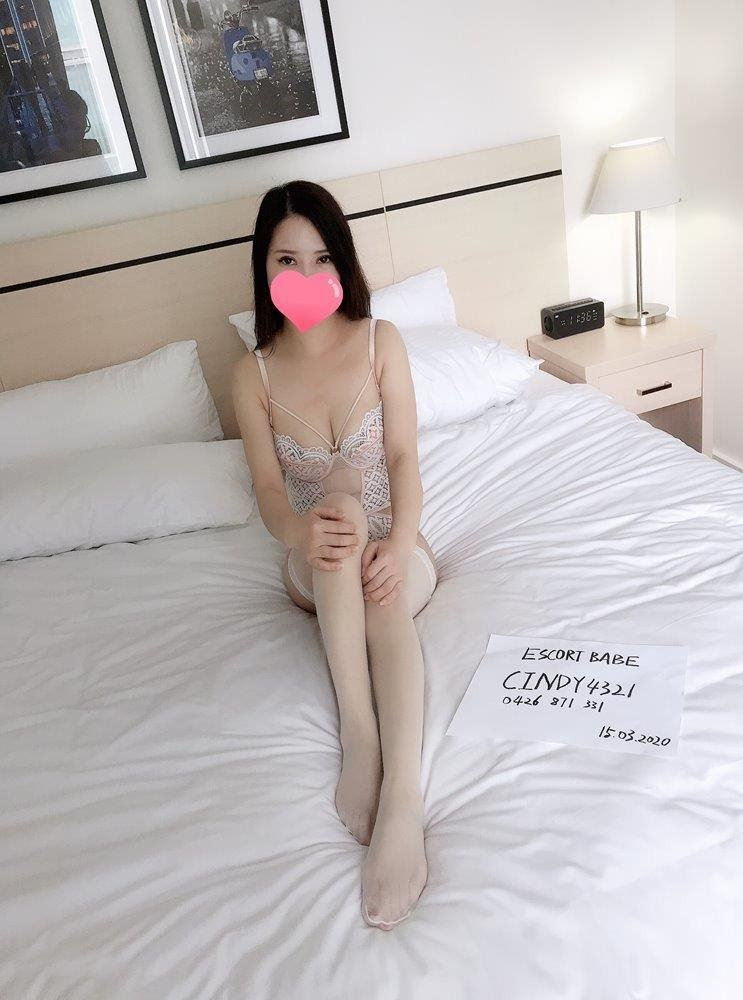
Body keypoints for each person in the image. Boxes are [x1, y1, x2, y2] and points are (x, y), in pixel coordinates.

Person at [232, 181, 438, 931]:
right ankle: (361, 734)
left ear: (342, 262)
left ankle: (402, 800)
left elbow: (405, 456)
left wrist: (398, 541)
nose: (306, 274)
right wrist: (300, 533)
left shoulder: (381, 340)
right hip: (311, 553)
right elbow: (267, 490)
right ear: (263, 266)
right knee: (337, 510)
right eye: (287, 258)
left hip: (392, 541)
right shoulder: (252, 373)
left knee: (370, 551)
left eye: (322, 257)